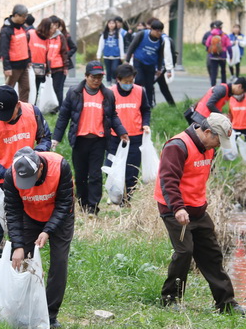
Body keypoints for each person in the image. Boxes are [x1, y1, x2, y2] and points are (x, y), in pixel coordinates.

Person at [154, 113, 246, 315]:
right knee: (184, 251)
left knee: (212, 254)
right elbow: (168, 180)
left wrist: (198, 205)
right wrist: (178, 208)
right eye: (217, 140)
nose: (217, 145)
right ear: (207, 131)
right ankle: (170, 298)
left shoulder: (208, 147)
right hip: (175, 208)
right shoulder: (177, 146)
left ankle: (226, 304)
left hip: (197, 208)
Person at [0, 86, 52, 274]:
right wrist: (4, 172)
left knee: (25, 228)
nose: (3, 117)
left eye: (8, 113)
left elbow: (45, 138)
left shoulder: (33, 113)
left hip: (25, 182)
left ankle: (23, 271)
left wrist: (33, 158)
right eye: (0, 113)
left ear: (17, 105)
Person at [4, 146, 74, 329]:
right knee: (25, 261)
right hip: (30, 216)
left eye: (30, 179)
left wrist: (48, 230)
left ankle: (49, 315)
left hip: (60, 217)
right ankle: (27, 309)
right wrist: (18, 246)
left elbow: (65, 203)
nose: (28, 184)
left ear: (40, 168)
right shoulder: (11, 174)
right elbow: (12, 211)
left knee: (59, 263)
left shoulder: (60, 166)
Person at [52, 61, 128, 215]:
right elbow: (63, 117)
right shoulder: (74, 93)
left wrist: (121, 131)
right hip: (79, 141)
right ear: (86, 76)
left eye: (99, 77)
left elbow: (112, 116)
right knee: (80, 176)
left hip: (98, 141)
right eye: (93, 77)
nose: (96, 80)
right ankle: (83, 202)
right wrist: (56, 138)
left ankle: (93, 208)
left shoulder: (107, 94)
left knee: (95, 175)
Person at [104, 64, 150, 202]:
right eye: (126, 82)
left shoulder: (140, 91)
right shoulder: (110, 92)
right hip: (114, 137)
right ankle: (115, 195)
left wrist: (145, 124)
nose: (129, 84)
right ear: (118, 79)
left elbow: (146, 110)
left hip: (135, 136)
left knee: (131, 170)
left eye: (131, 81)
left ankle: (127, 198)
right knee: (111, 168)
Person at [125, 19, 173, 107]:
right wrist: (127, 61)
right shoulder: (142, 34)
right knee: (138, 80)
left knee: (149, 85)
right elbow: (132, 47)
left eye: (160, 31)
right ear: (151, 29)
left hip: (151, 64)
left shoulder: (161, 40)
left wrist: (158, 68)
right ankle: (134, 102)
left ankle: (149, 105)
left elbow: (160, 55)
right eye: (157, 31)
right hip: (139, 61)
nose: (159, 33)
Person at [0, 4, 31, 103]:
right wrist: (7, 67)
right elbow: (4, 50)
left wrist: (29, 60)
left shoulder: (22, 28)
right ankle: (7, 110)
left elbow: (26, 45)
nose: (24, 19)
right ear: (16, 15)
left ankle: (23, 111)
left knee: (25, 88)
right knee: (9, 90)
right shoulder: (6, 30)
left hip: (24, 65)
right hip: (12, 66)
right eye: (23, 16)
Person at [46, 17, 70, 109]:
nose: (54, 27)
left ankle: (58, 107)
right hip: (47, 67)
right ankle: (49, 106)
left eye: (56, 25)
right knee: (48, 88)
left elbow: (64, 52)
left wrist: (65, 67)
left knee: (57, 88)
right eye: (53, 25)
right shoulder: (45, 36)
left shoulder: (60, 37)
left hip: (58, 67)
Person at [96, 19, 125, 85]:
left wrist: (122, 56)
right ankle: (108, 83)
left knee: (114, 69)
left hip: (116, 56)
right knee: (108, 71)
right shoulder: (104, 35)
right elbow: (100, 46)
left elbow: (121, 45)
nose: (111, 25)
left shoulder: (118, 35)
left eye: (113, 23)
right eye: (110, 23)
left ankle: (114, 81)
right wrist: (98, 55)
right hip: (107, 56)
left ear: (115, 25)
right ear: (107, 25)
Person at [29, 18, 51, 102]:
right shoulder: (31, 34)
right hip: (30, 67)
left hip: (40, 69)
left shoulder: (47, 40)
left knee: (36, 90)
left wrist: (48, 69)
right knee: (28, 89)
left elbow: (47, 55)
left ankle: (32, 107)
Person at [205, 21, 232, 86]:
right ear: (221, 27)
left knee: (213, 72)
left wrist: (210, 51)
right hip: (222, 56)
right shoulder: (224, 35)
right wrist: (231, 55)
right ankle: (223, 86)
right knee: (223, 72)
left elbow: (207, 44)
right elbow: (229, 46)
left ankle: (213, 87)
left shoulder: (211, 35)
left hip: (213, 56)